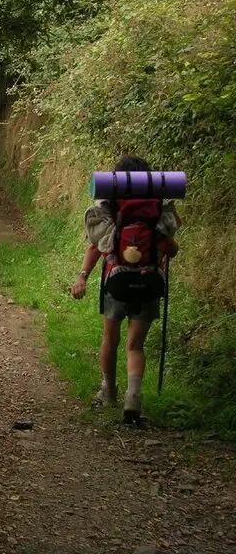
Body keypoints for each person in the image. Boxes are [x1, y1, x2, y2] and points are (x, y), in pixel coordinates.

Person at [70, 156, 180, 422]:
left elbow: (96, 246)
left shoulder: (109, 204)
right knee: (135, 344)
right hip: (150, 283)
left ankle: (108, 390)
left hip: (115, 281)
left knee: (111, 338)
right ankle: (133, 397)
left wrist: (82, 276)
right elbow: (171, 249)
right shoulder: (157, 209)